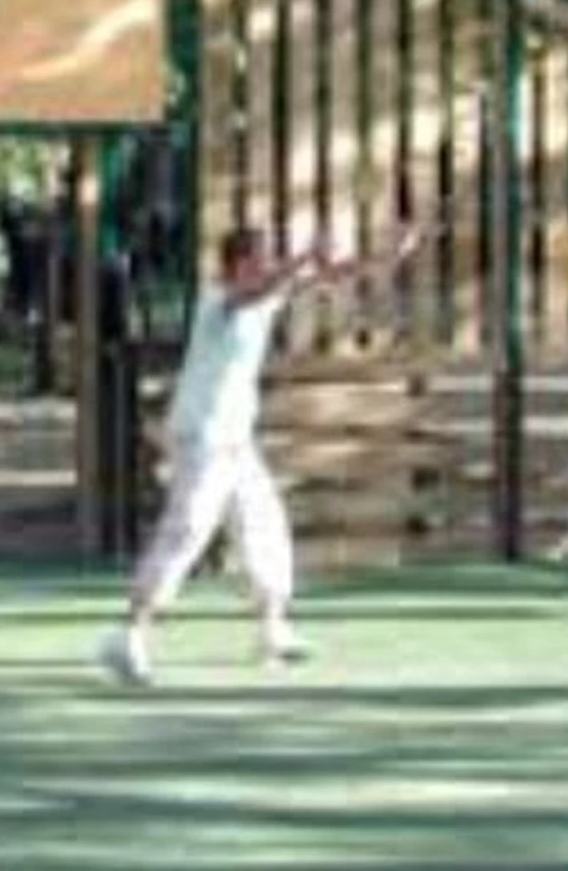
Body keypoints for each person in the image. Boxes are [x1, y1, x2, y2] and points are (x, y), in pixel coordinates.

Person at [98, 220, 425, 688]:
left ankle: (273, 629)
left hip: (235, 439)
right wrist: (303, 257)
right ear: (237, 265)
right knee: (187, 530)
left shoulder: (266, 293)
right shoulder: (218, 300)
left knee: (263, 527)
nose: (268, 266)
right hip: (202, 436)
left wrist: (389, 255)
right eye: (259, 259)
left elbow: (333, 275)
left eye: (270, 259)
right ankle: (129, 633)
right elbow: (259, 290)